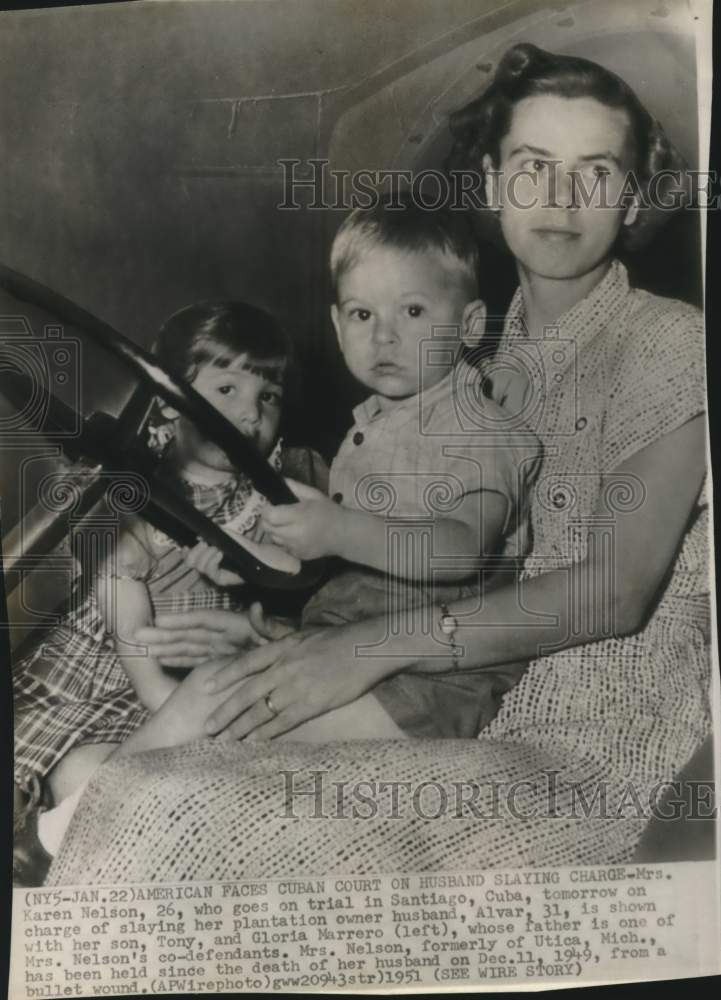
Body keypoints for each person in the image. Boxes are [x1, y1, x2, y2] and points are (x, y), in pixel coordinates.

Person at [46, 43, 711, 882]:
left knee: (159, 814)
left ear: (632, 194)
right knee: (94, 776)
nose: (560, 198)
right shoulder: (464, 362)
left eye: (597, 170)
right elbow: (433, 573)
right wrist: (281, 635)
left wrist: (361, 651)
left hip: (586, 739)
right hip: (439, 699)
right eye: (533, 165)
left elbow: (611, 594)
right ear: (490, 181)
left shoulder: (667, 341)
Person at [13, 299, 327, 883]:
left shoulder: (268, 494)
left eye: (268, 397)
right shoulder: (135, 487)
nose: (248, 413)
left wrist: (249, 559)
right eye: (226, 389)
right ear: (169, 402)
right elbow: (123, 605)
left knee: (98, 780)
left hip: (161, 699)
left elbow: (307, 547)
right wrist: (154, 685)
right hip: (101, 667)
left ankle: (54, 843)